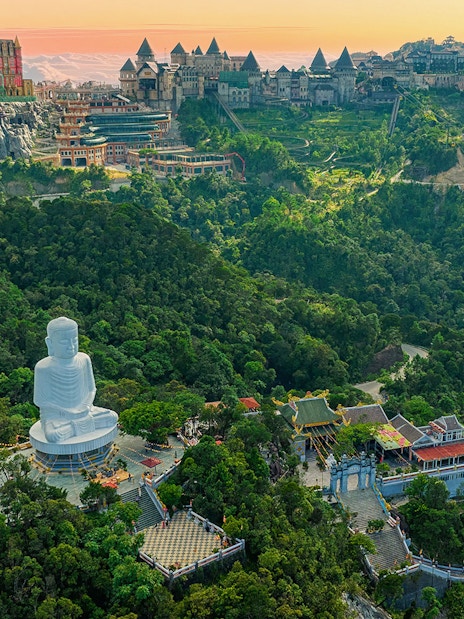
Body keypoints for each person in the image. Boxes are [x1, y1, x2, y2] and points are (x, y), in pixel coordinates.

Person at [34, 317, 118, 443]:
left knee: (112, 417)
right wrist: (68, 413)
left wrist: (85, 406)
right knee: (54, 436)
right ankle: (76, 426)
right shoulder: (44, 368)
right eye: (64, 342)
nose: (71, 346)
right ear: (50, 343)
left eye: (75, 340)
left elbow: (91, 389)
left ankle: (75, 427)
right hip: (58, 416)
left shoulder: (84, 359)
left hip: (85, 411)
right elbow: (41, 401)